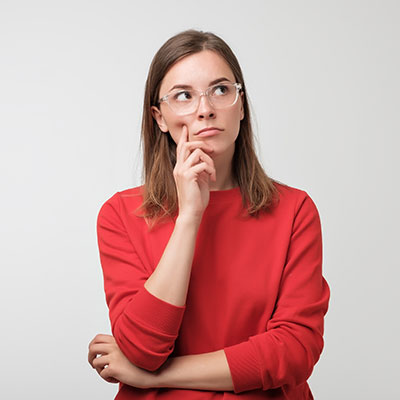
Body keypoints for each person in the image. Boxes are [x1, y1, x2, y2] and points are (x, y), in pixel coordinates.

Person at [87, 29, 330, 399]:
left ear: (241, 105)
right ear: (160, 118)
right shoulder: (121, 214)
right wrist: (189, 217)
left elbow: (295, 352)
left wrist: (154, 378)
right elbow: (143, 350)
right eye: (184, 95)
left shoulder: (294, 210)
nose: (205, 109)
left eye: (220, 89)